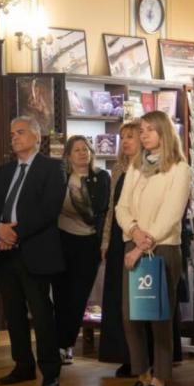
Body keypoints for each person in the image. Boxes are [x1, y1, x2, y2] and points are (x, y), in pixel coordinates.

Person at [0, 116, 66, 386]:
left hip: (35, 251)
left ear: (36, 137)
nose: (14, 138)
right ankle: (23, 366)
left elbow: (49, 210)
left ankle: (50, 370)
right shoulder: (3, 172)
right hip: (5, 253)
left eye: (20, 132)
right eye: (12, 134)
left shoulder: (52, 168)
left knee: (41, 313)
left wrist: (14, 234)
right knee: (13, 313)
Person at [116, 110, 191, 386]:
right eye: (142, 130)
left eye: (149, 130)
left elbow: (171, 216)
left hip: (162, 249)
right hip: (134, 245)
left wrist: (142, 244)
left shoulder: (180, 169)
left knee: (159, 317)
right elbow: (122, 207)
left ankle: (160, 381)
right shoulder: (136, 166)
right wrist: (134, 232)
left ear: (163, 132)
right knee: (131, 316)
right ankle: (143, 376)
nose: (143, 135)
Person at [53, 136, 110, 364]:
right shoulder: (60, 179)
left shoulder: (101, 177)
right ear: (68, 156)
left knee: (78, 297)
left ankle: (66, 344)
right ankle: (58, 343)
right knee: (61, 296)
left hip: (89, 243)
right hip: (62, 241)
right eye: (76, 150)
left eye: (85, 149)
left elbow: (99, 209)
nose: (82, 153)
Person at [99, 122, 140, 376]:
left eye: (130, 136)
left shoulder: (149, 168)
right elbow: (111, 209)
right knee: (118, 297)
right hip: (117, 236)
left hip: (139, 236)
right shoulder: (118, 169)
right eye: (122, 137)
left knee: (137, 298)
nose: (125, 141)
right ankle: (124, 355)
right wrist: (105, 240)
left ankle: (142, 357)